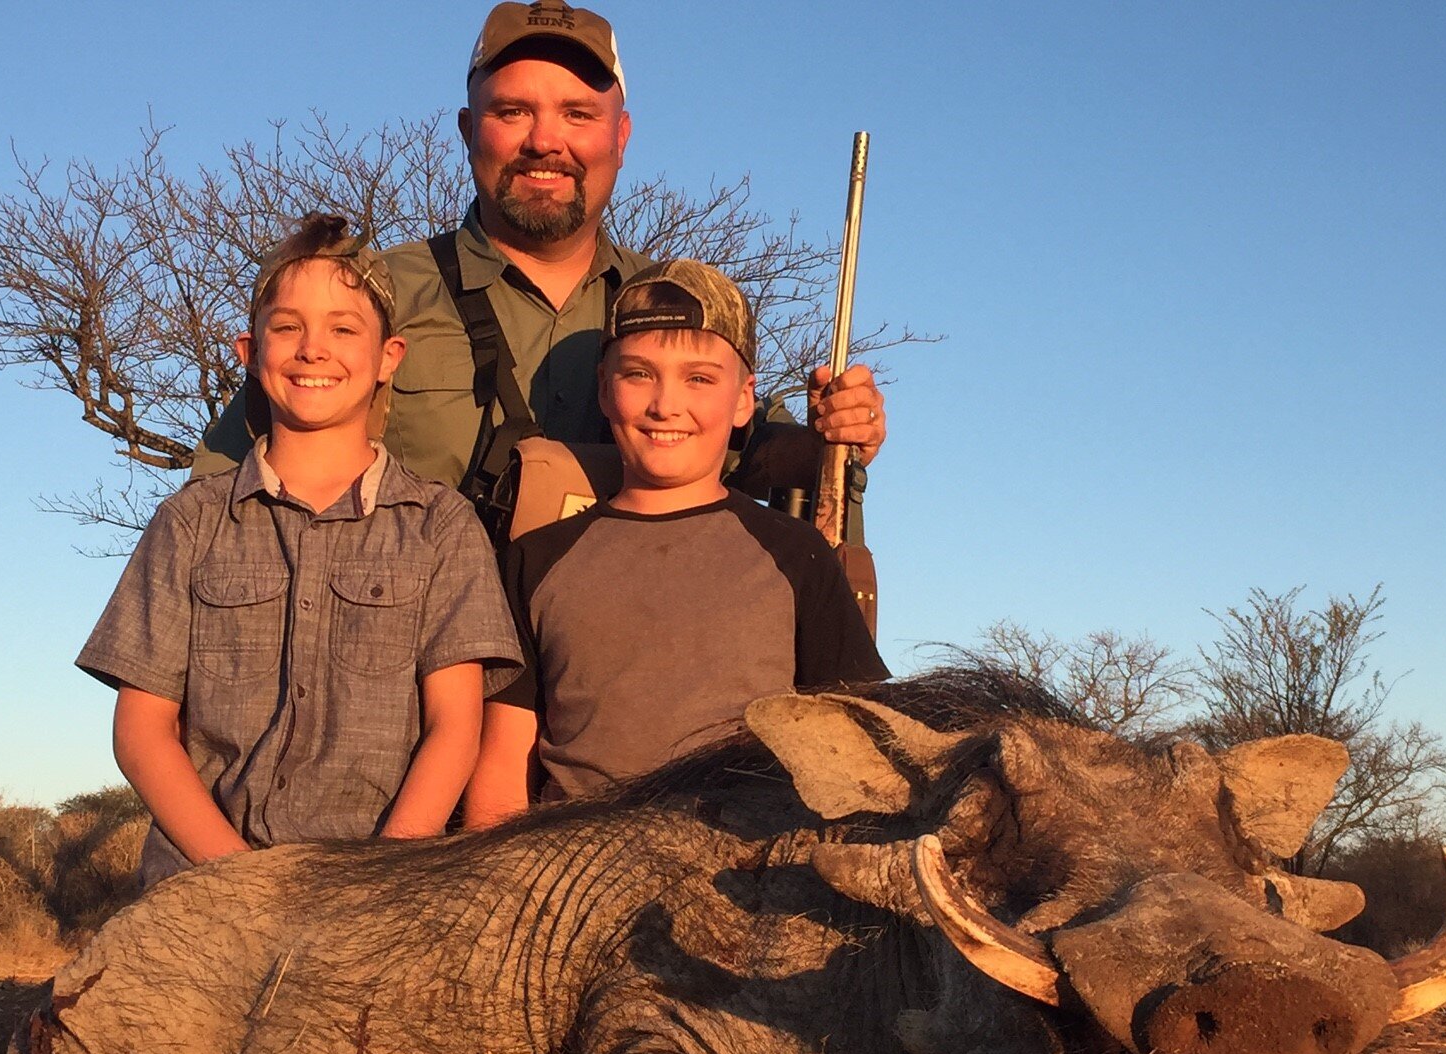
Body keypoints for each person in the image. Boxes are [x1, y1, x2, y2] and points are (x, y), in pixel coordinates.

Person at [190, 0, 888, 520]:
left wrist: (839, 439)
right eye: (513, 112)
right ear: (468, 131)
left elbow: (767, 455)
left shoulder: (681, 312)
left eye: (578, 115)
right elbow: (218, 492)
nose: (545, 141)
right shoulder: (365, 296)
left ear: (621, 135)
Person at [78, 215, 522, 886]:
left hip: (376, 893)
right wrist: (238, 882)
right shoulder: (188, 521)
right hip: (200, 891)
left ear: (389, 358)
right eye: (287, 328)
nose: (314, 350)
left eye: (344, 329)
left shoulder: (442, 526)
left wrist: (373, 880)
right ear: (248, 351)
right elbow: (141, 735)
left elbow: (455, 730)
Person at [465, 259, 888, 825]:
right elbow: (501, 776)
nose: (665, 404)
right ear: (603, 390)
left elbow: (856, 758)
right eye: (638, 374)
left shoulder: (797, 555)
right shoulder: (534, 559)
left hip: (744, 885)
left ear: (744, 401)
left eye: (700, 378)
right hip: (568, 878)